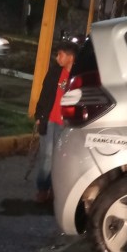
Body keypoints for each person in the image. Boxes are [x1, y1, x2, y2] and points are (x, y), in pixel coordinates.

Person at [34, 40, 78, 203]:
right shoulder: (54, 72)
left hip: (66, 124)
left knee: (61, 158)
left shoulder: (78, 77)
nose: (57, 58)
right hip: (50, 120)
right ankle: (42, 189)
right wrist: (39, 116)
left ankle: (55, 189)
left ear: (70, 57)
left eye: (61, 54)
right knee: (47, 155)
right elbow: (44, 94)